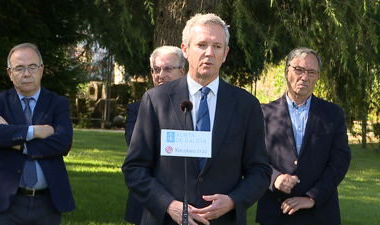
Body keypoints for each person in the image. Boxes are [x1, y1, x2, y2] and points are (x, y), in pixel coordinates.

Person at [122, 13, 271, 225]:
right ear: (185, 50)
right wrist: (167, 205)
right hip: (166, 220)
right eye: (201, 45)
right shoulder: (156, 101)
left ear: (225, 53)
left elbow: (260, 171)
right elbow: (134, 168)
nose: (209, 53)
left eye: (217, 46)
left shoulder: (246, 105)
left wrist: (232, 201)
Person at [0, 43, 75, 224]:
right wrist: (36, 131)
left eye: (32, 67)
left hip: (47, 204)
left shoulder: (58, 103)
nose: (26, 73)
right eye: (19, 68)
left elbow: (63, 141)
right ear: (10, 73)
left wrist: (17, 143)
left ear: (41, 70)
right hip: (4, 203)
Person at [255, 47, 352, 225]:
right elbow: (253, 158)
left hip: (320, 214)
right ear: (286, 71)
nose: (304, 77)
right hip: (276, 212)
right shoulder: (263, 114)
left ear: (317, 77)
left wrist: (312, 198)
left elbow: (340, 161)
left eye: (311, 72)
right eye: (299, 70)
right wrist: (274, 178)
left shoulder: (333, 114)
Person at [124, 45, 186, 224]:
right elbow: (136, 145)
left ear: (182, 72)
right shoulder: (136, 109)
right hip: (148, 199)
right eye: (156, 69)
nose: (161, 75)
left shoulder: (192, 107)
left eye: (168, 69)